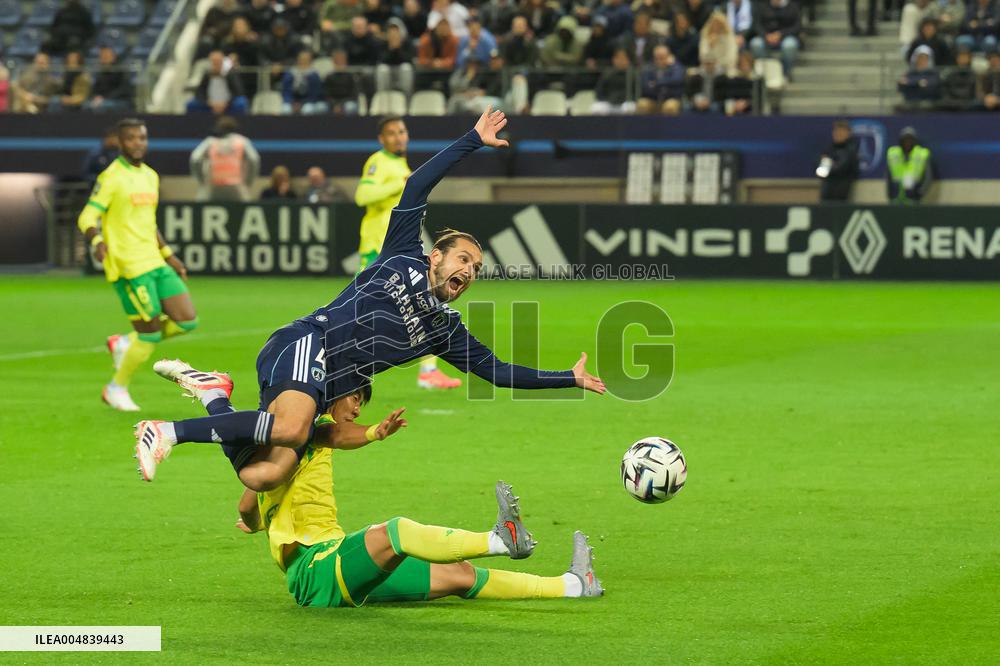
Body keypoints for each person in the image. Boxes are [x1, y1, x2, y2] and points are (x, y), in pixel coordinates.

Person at [133, 109, 606, 485]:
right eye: (462, 258)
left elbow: (499, 373)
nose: (469, 270)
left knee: (263, 474)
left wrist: (567, 378)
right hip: (306, 343)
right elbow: (416, 185)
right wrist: (471, 141)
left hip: (318, 389)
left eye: (477, 268)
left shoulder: (444, 332)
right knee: (293, 430)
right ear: (435, 256)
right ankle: (166, 431)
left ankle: (215, 394)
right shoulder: (401, 252)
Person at [234, 391, 603, 607]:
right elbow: (336, 435)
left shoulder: (285, 446)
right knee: (394, 533)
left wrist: (257, 525)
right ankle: (499, 539)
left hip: (335, 557)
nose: (358, 408)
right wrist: (375, 433)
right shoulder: (305, 432)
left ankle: (573, 585)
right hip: (315, 570)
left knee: (460, 575)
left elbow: (247, 507)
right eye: (356, 397)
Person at [76, 118, 198, 412]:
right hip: (128, 265)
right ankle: (116, 388)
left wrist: (168, 254)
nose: (138, 143)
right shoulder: (111, 176)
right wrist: (97, 242)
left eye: (142, 138)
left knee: (186, 320)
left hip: (154, 261)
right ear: (121, 142)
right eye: (131, 138)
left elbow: (149, 222)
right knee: (150, 333)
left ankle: (123, 343)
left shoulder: (150, 176)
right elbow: (86, 217)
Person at [355, 116, 463, 390]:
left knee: (423, 304)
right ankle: (342, 368)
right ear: (382, 139)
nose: (398, 137)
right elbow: (362, 197)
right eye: (391, 133)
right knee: (366, 317)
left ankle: (428, 370)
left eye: (401, 131)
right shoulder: (378, 162)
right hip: (378, 250)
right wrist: (402, 183)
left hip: (395, 250)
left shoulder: (400, 164)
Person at [189, 116, 261, 202]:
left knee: (199, 211)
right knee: (246, 210)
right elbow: (254, 159)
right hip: (236, 187)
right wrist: (248, 182)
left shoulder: (210, 141)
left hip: (212, 186)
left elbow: (195, 159)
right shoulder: (242, 141)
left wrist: (201, 181)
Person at [187, 50, 249, 115]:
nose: (216, 64)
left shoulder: (230, 75)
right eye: (214, 62)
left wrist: (226, 103)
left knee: (241, 102)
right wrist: (208, 102)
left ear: (222, 62)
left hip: (228, 103)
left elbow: (238, 91)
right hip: (210, 103)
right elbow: (200, 92)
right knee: (191, 104)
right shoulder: (206, 76)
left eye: (218, 62)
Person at [750, 0, 801, 77]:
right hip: (766, 37)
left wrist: (781, 34)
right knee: (756, 43)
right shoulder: (762, 6)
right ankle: (765, 71)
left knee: (790, 45)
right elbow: (757, 25)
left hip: (785, 37)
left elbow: (797, 27)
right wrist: (766, 35)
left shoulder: (792, 6)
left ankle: (785, 72)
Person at [816, 119, 860, 202]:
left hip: (843, 194)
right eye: (836, 132)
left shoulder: (851, 150)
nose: (838, 134)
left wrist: (829, 164)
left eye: (841, 132)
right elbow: (821, 171)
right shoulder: (829, 149)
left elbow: (842, 167)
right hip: (827, 193)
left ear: (848, 133)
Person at [886, 127, 932, 204]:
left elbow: (928, 176)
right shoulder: (893, 154)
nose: (907, 143)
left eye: (910, 140)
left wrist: (920, 192)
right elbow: (888, 176)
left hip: (914, 197)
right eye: (905, 140)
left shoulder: (921, 154)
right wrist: (889, 193)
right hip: (896, 196)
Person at [637, 44, 685, 115]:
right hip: (653, 99)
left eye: (662, 57)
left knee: (670, 106)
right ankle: (644, 126)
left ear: (669, 56)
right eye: (657, 57)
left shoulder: (675, 67)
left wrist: (656, 83)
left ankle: (670, 126)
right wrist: (665, 85)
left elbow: (677, 80)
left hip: (670, 98)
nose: (659, 60)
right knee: (642, 104)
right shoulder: (648, 68)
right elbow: (645, 86)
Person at [86, 46, 133, 112]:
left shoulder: (120, 70)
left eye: (107, 55)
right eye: (102, 55)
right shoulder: (100, 72)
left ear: (113, 57)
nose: (104, 58)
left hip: (120, 100)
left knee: (101, 107)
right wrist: (95, 97)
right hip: (103, 100)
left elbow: (123, 90)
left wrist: (104, 98)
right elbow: (95, 89)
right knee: (86, 105)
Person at [281, 49, 328, 115]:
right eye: (302, 59)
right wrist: (291, 102)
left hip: (308, 101)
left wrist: (302, 103)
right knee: (285, 109)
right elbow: (285, 91)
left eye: (306, 60)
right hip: (292, 101)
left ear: (310, 61)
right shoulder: (290, 73)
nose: (303, 61)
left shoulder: (314, 75)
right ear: (298, 60)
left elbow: (315, 93)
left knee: (307, 109)